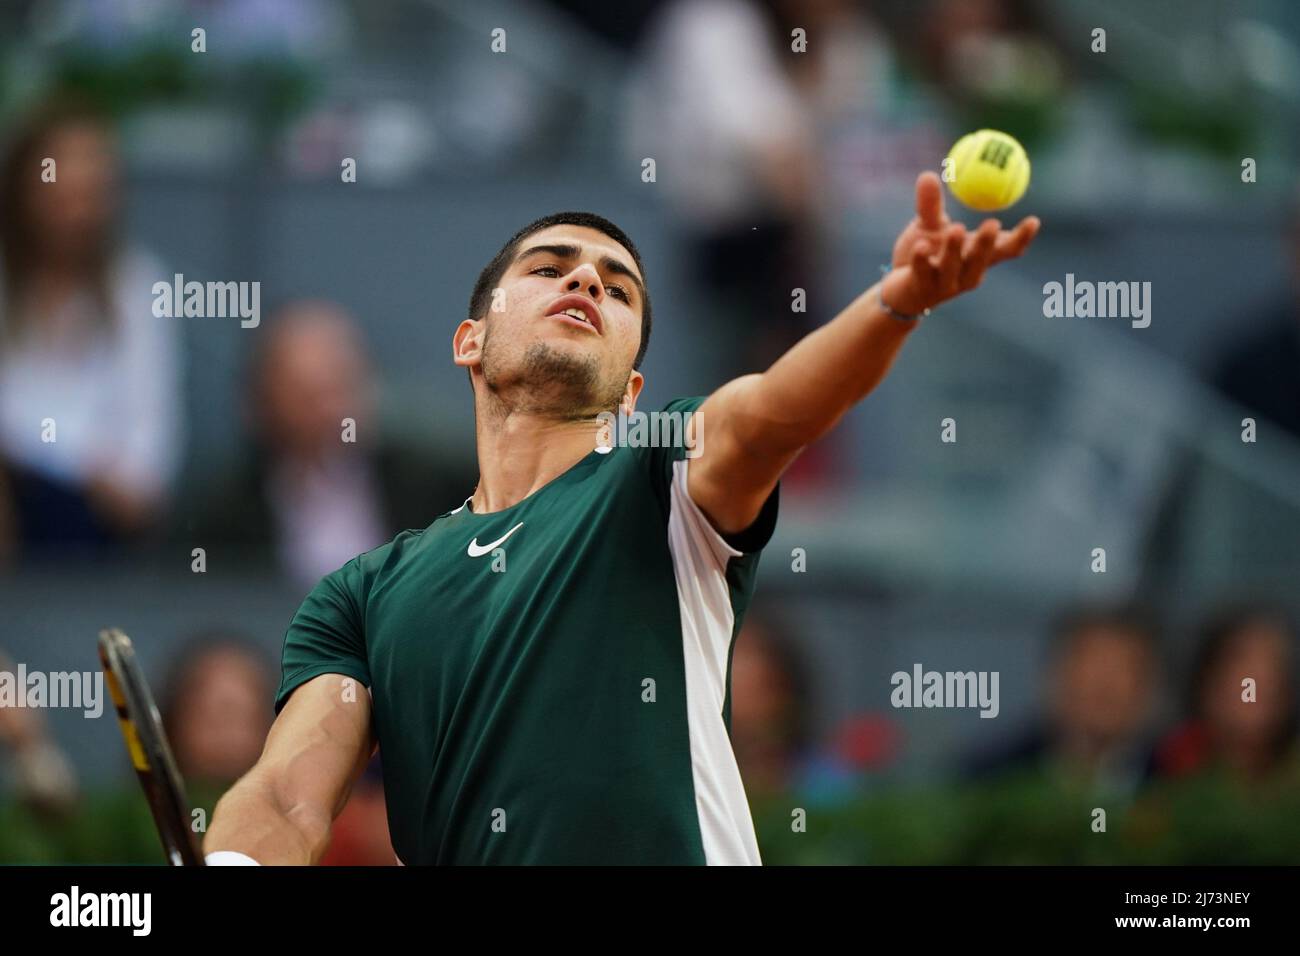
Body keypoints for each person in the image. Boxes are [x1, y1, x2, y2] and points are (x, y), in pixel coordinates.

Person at [204, 173, 1038, 865]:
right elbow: (287, 792)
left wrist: (894, 305)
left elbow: (772, 415)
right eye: (550, 267)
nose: (587, 281)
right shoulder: (362, 592)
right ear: (470, 341)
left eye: (618, 285)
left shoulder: (660, 475)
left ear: (633, 391)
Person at [0, 97, 181, 556]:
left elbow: (144, 476)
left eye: (91, 195)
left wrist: (62, 463)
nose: (76, 214)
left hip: (95, 527)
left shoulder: (137, 288)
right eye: (61, 195)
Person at [192, 301, 475, 587]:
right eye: (308, 395)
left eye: (342, 387)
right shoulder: (225, 516)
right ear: (263, 402)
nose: (331, 410)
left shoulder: (432, 486)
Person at [965, 604, 1162, 798]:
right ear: (1054, 677)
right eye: (1092, 665)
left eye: (1124, 669)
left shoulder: (1172, 780)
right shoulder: (992, 778)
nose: (1106, 685)